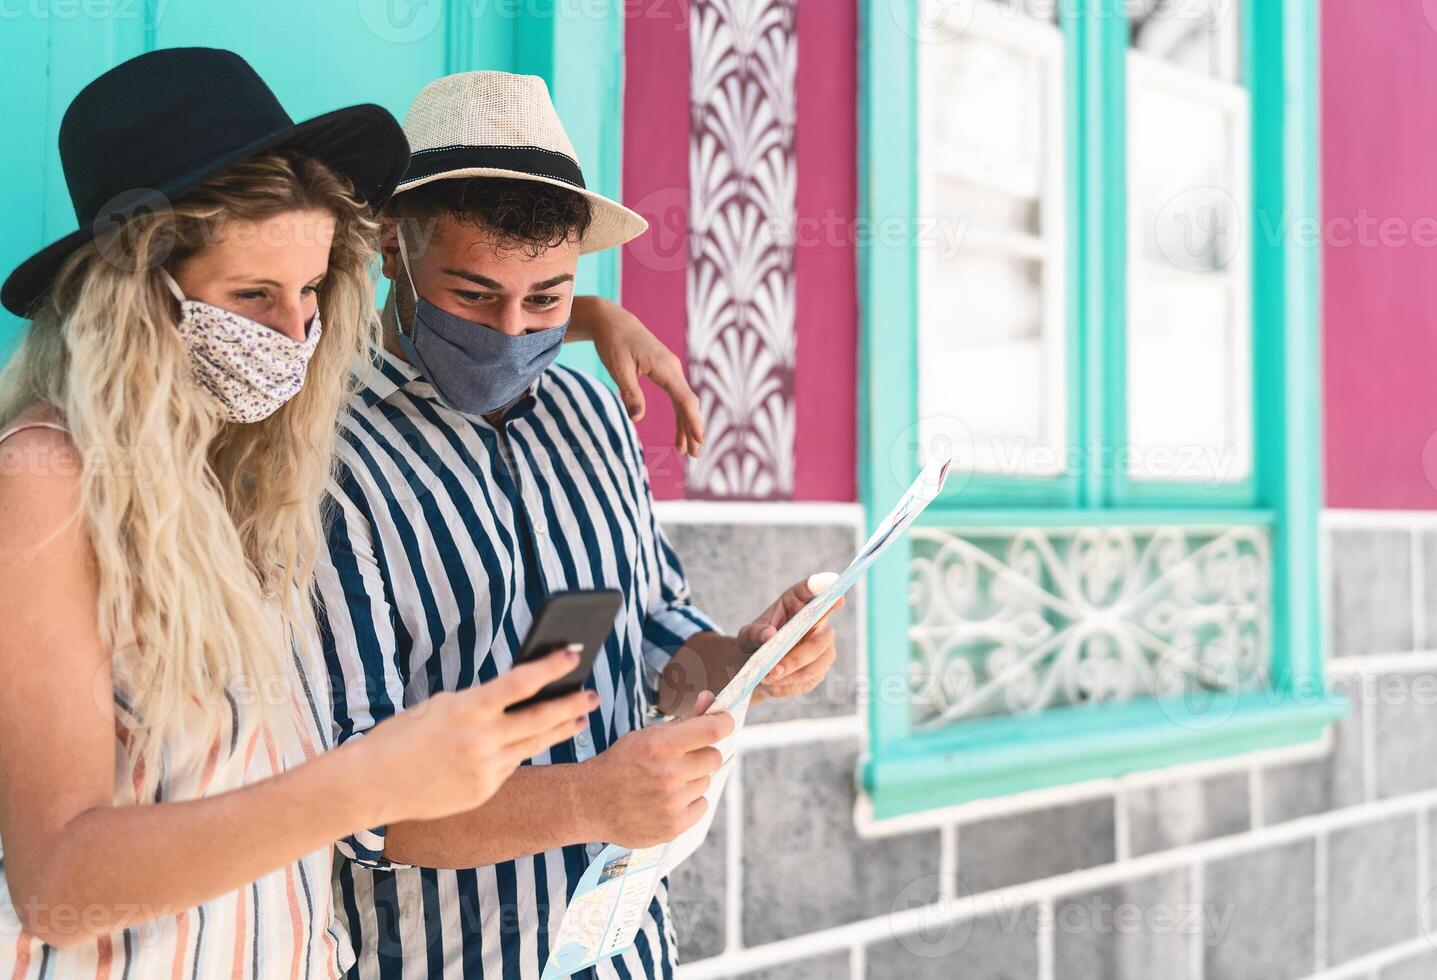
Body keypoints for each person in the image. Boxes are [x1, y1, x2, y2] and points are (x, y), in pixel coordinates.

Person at [0, 48, 705, 979]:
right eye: (253, 296)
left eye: (309, 294)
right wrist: (366, 784)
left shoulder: (236, 464)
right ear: (134, 292)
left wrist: (581, 316)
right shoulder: (45, 476)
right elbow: (56, 882)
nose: (293, 338)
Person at [316, 70, 843, 980]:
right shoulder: (321, 458)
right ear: (394, 250)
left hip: (630, 953)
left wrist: (744, 659)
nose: (513, 332)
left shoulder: (595, 413)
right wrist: (592, 802)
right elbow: (353, 803)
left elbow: (654, 641)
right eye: (474, 297)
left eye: (550, 300)